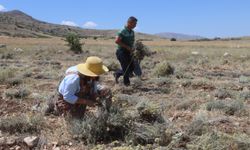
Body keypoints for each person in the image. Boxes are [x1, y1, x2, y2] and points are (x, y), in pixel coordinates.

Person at [46, 56, 111, 119]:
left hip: (83, 92)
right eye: (94, 74)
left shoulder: (91, 74)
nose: (96, 75)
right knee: (75, 119)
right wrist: (87, 101)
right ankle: (54, 105)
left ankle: (103, 117)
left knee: (106, 90)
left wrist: (94, 93)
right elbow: (67, 97)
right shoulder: (74, 78)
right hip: (67, 97)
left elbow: (93, 83)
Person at [114, 16, 137, 86]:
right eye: (134, 24)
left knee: (131, 68)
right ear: (129, 23)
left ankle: (117, 73)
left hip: (129, 52)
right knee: (126, 68)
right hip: (121, 52)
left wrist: (133, 49)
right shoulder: (122, 31)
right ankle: (127, 85)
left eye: (136, 24)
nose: (135, 25)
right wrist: (127, 47)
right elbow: (117, 41)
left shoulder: (132, 32)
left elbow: (132, 42)